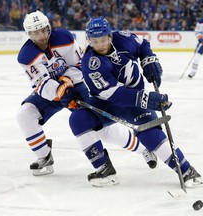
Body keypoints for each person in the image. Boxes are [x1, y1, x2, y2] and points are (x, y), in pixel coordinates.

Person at [16, 11, 157, 177]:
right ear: (28, 33)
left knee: (100, 129)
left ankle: (143, 149)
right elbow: (41, 83)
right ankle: (44, 156)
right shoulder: (26, 56)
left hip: (76, 87)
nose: (41, 36)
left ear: (49, 27)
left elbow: (80, 65)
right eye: (35, 32)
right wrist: (60, 90)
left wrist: (67, 83)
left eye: (43, 30)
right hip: (51, 93)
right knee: (25, 114)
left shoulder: (64, 38)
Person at [69, 16, 203, 188]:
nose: (100, 45)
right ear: (88, 40)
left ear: (109, 36)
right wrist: (147, 99)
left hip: (134, 103)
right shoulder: (91, 63)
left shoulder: (123, 38)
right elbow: (116, 95)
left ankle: (186, 171)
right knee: (78, 119)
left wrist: (149, 60)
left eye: (103, 39)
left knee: (150, 133)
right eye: (95, 41)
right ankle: (104, 169)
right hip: (107, 102)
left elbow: (142, 44)